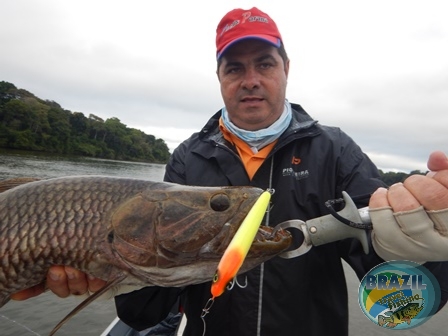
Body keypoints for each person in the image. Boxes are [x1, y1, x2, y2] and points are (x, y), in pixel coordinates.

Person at [12, 7, 448, 335]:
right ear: (220, 77)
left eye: (265, 63)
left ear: (286, 70)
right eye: (235, 68)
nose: (251, 79)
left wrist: (428, 247)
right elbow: (146, 311)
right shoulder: (188, 158)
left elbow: (401, 298)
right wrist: (110, 278)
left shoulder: (334, 151)